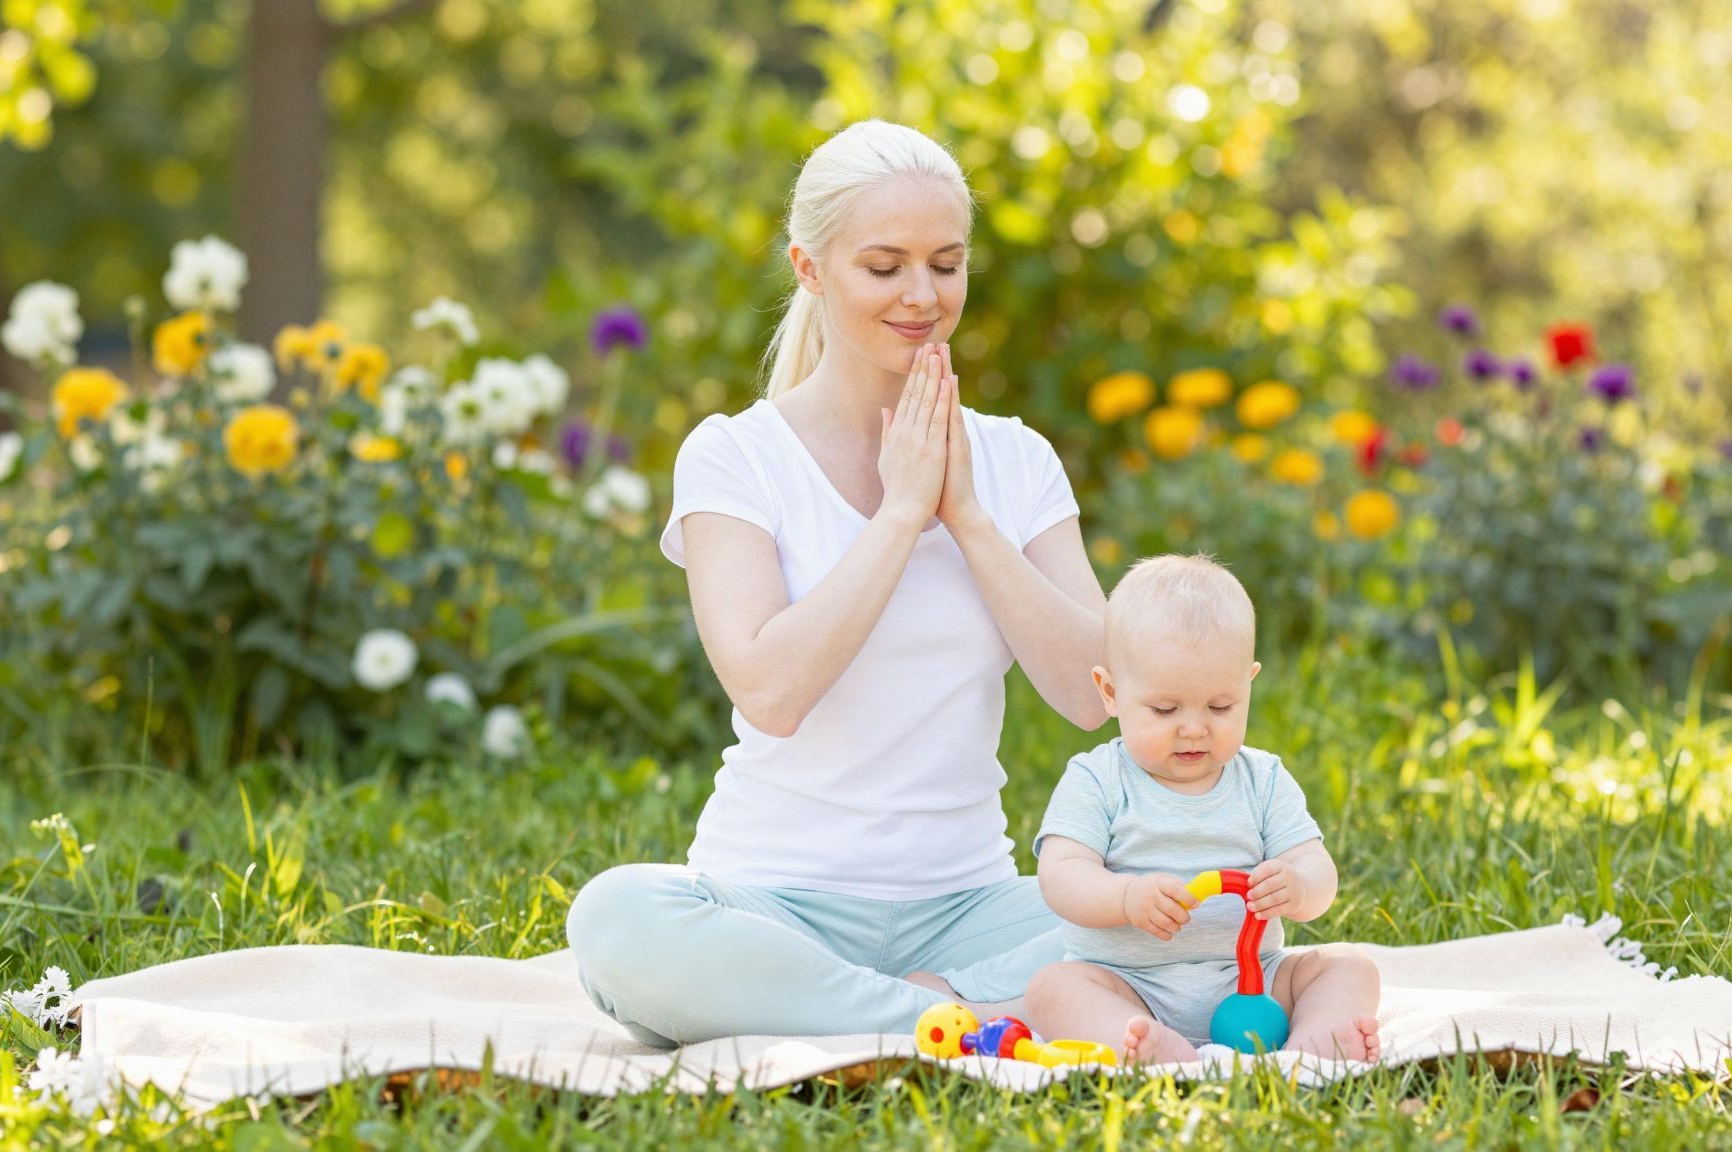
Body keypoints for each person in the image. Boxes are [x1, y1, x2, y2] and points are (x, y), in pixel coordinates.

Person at [566, 119, 1109, 1047]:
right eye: (884, 265)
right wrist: (900, 515)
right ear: (811, 270)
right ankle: (955, 1020)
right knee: (616, 922)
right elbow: (771, 692)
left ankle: (897, 1009)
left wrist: (968, 517)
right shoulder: (735, 455)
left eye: (946, 263)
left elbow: (1097, 695)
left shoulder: (1015, 460)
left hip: (969, 909)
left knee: (1175, 904)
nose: (923, 295)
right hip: (775, 903)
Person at [1023, 554, 1382, 1064]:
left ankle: (1314, 1044)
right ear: (1110, 692)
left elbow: (1318, 871)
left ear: (1248, 685)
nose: (1194, 728)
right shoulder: (1097, 779)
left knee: (1350, 966)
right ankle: (1147, 1043)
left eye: (1220, 707)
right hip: (1131, 985)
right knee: (1052, 989)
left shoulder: (1264, 780)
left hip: (1254, 984)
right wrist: (1124, 897)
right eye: (1165, 710)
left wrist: (1298, 886)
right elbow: (1060, 876)